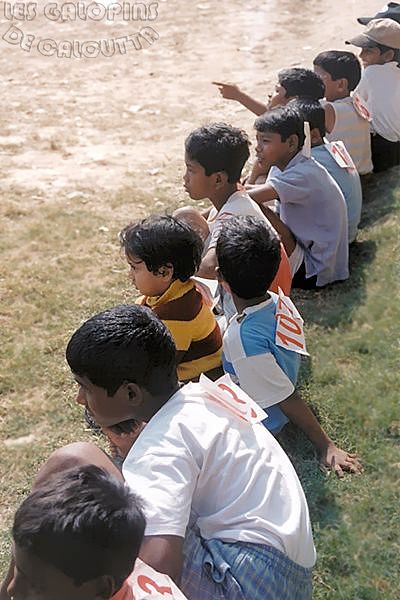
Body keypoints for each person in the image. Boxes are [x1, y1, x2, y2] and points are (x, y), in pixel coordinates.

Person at [65, 303, 316, 599]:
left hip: (243, 583)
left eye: (85, 387)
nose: (80, 399)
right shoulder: (203, 396)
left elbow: (160, 573)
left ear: (131, 393)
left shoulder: (158, 447)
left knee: (78, 459)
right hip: (293, 577)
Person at [216, 215, 363, 476]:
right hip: (267, 383)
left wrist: (326, 445)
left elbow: (286, 397)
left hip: (262, 421)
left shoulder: (240, 340)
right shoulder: (277, 300)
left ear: (220, 277)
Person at [2, 458, 187, 600]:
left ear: (101, 590)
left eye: (36, 586)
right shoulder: (101, 560)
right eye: (18, 570)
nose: (12, 590)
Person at [176, 123, 292, 314]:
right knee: (185, 217)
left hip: (252, 306)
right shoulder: (234, 198)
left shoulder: (235, 213)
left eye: (191, 170)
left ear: (218, 179)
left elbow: (208, 268)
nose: (185, 177)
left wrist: (172, 283)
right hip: (256, 293)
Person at [247, 105, 349, 289]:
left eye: (265, 141)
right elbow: (246, 191)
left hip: (315, 271)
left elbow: (246, 197)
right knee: (253, 203)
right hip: (311, 253)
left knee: (254, 208)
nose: (258, 148)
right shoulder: (289, 165)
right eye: (257, 140)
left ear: (292, 143)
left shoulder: (304, 174)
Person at [120, 214, 222, 382]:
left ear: (164, 272)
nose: (130, 275)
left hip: (195, 383)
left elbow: (156, 368)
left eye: (134, 268)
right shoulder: (174, 292)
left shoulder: (178, 314)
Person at [293, 99, 363, 243]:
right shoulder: (330, 147)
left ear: (313, 136)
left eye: (291, 138)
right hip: (348, 233)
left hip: (335, 243)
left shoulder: (312, 161)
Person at [346, 18, 400, 172]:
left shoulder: (372, 73)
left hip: (381, 143)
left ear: (388, 55)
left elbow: (354, 103)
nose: (361, 55)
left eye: (368, 51)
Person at [313, 50, 373, 176]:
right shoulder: (357, 101)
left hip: (346, 180)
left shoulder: (329, 110)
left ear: (340, 84)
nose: (312, 82)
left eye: (318, 78)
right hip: (364, 175)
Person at [212, 67, 325, 115]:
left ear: (293, 100)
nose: (270, 94)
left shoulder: (290, 132)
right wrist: (238, 95)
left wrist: (239, 96)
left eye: (277, 91)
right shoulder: (310, 116)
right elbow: (268, 114)